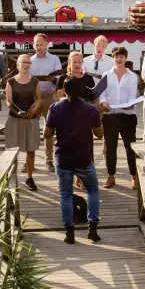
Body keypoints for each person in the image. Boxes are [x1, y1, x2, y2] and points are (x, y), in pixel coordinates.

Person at [44, 76, 104, 244]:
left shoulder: (55, 108)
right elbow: (99, 135)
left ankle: (69, 233)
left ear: (63, 90)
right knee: (92, 190)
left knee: (65, 194)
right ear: (82, 91)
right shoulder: (90, 110)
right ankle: (92, 229)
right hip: (83, 157)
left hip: (63, 157)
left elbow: (47, 134)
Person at [99, 47, 139, 190]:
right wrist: (103, 102)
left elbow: (132, 97)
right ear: (113, 58)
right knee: (111, 147)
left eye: (122, 56)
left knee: (130, 147)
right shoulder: (106, 74)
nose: (119, 59)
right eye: (116, 56)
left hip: (128, 115)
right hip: (110, 115)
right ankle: (111, 176)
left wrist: (126, 105)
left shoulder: (133, 76)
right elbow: (102, 94)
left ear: (126, 58)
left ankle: (134, 176)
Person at [5, 54, 41, 191]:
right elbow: (9, 101)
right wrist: (17, 112)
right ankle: (12, 178)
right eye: (23, 62)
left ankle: (29, 177)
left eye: (28, 62)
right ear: (18, 65)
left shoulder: (35, 81)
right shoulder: (11, 81)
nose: (26, 65)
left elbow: (38, 99)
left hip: (31, 119)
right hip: (15, 119)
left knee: (30, 150)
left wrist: (35, 109)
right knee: (12, 150)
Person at [29, 33, 62, 172]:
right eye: (36, 45)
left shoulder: (54, 59)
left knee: (49, 131)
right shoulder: (30, 60)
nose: (39, 47)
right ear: (33, 44)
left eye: (41, 44)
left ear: (47, 44)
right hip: (34, 98)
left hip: (50, 97)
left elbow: (60, 78)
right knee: (32, 130)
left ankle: (49, 160)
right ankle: (30, 161)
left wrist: (53, 79)